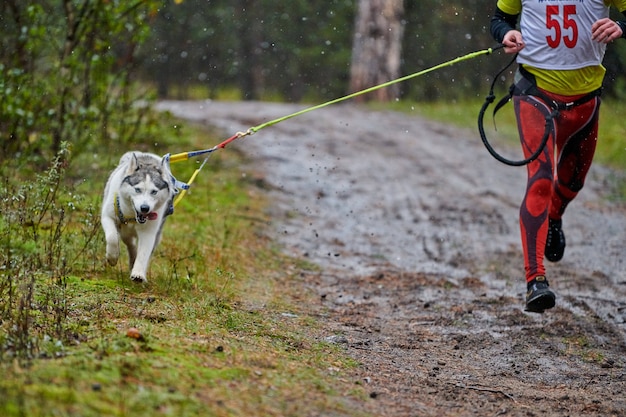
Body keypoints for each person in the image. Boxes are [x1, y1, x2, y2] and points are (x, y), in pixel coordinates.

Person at [489, 0, 626, 313]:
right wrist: (506, 34)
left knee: (571, 184)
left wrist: (621, 28)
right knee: (540, 181)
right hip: (535, 92)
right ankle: (535, 281)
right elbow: (499, 19)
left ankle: (555, 216)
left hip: (586, 101)